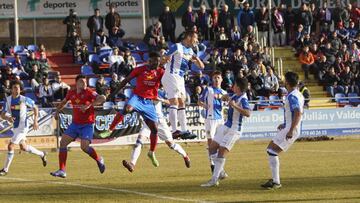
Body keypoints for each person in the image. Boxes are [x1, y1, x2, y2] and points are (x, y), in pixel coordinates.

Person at [106, 52, 164, 167]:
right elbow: (126, 80)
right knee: (127, 108)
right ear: (149, 60)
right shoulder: (140, 69)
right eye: (154, 61)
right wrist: (114, 93)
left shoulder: (161, 72)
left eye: (158, 61)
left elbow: (169, 81)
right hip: (137, 97)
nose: (156, 63)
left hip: (149, 102)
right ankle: (110, 129)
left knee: (155, 129)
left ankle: (151, 152)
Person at [50, 75, 106, 178]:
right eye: (82, 82)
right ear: (77, 83)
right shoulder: (71, 93)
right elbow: (63, 102)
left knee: (84, 147)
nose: (84, 84)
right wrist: (57, 112)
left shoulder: (89, 92)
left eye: (85, 82)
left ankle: (99, 159)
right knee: (63, 143)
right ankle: (62, 170)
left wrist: (89, 105)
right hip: (75, 124)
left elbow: (103, 98)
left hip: (87, 124)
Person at [122, 89, 191, 172]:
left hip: (160, 121)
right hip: (148, 120)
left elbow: (171, 102)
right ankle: (132, 164)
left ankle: (185, 155)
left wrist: (160, 99)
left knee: (171, 144)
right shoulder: (141, 93)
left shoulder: (158, 91)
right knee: (139, 141)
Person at [201, 77, 251, 187]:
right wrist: (224, 97)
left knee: (221, 153)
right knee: (212, 148)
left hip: (234, 129)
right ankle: (221, 172)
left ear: (238, 86)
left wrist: (234, 105)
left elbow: (248, 113)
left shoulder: (243, 99)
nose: (232, 86)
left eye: (234, 84)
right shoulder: (234, 95)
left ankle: (214, 180)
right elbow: (225, 97)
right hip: (226, 126)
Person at [261, 71, 304, 189]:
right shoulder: (298, 94)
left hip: (292, 129)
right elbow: (295, 113)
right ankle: (275, 180)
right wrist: (285, 124)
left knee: (272, 151)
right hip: (290, 126)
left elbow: (298, 113)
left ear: (287, 82)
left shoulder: (292, 96)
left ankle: (276, 182)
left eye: (285, 80)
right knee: (270, 148)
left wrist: (290, 129)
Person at [162, 31, 204, 138]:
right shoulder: (177, 46)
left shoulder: (190, 51)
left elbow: (201, 66)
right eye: (195, 38)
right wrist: (165, 59)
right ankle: (175, 130)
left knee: (182, 102)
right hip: (171, 75)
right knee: (174, 101)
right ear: (189, 37)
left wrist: (196, 57)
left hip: (180, 78)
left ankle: (184, 130)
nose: (197, 41)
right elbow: (164, 58)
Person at [0, 80, 47, 176]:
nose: (16, 90)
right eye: (14, 88)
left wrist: (35, 121)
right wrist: (8, 117)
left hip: (23, 127)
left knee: (10, 146)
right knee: (24, 147)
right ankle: (42, 154)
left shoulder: (24, 99)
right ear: (11, 89)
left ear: (20, 90)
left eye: (18, 88)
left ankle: (5, 169)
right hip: (15, 127)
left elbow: (35, 107)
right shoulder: (8, 100)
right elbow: (2, 114)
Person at [197, 71, 227, 173]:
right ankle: (212, 164)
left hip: (220, 120)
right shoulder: (208, 90)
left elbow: (227, 104)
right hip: (210, 119)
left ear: (221, 79)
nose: (216, 79)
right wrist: (204, 105)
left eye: (218, 77)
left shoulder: (224, 92)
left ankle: (219, 165)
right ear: (212, 79)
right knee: (211, 142)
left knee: (220, 143)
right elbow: (199, 101)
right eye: (214, 78)